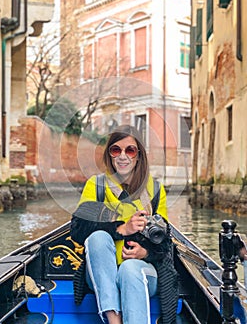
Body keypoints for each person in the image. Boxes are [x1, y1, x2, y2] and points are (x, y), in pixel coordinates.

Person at [70, 125, 178, 324]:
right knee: (97, 237)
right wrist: (121, 229)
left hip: (143, 272)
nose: (122, 156)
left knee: (129, 269)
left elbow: (165, 242)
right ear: (110, 155)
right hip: (102, 276)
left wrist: (145, 253)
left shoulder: (154, 190)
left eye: (130, 150)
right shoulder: (96, 185)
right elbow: (77, 230)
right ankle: (114, 319)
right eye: (116, 150)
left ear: (138, 156)